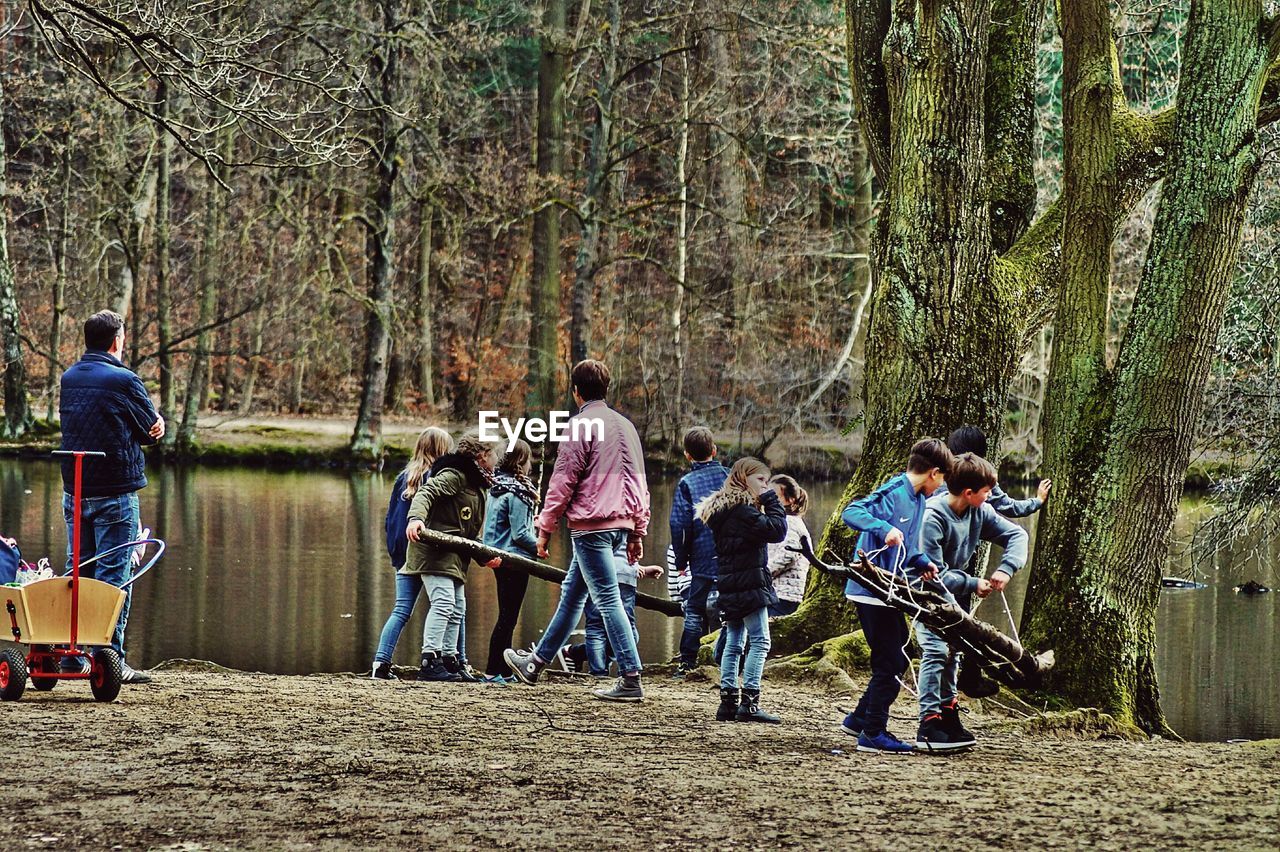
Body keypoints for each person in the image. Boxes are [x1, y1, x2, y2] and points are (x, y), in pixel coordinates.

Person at [503, 359, 652, 702]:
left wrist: (544, 528)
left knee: (607, 598)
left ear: (576, 391)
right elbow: (639, 483)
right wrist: (637, 531)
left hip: (591, 526)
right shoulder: (627, 427)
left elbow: (563, 480)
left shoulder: (581, 424)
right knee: (572, 594)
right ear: (606, 388)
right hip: (621, 523)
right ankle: (534, 664)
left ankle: (630, 677)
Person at [58, 310, 164, 684]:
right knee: (115, 575)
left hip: (75, 489)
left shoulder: (68, 378)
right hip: (116, 491)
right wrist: (159, 423)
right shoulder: (125, 380)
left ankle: (73, 656)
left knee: (79, 572)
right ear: (117, 340)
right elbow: (149, 430)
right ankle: (111, 658)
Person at [839, 437, 954, 754]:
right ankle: (874, 733)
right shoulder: (894, 491)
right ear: (933, 473)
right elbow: (852, 511)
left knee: (898, 653)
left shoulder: (917, 499)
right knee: (890, 660)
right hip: (870, 589)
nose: (942, 487)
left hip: (890, 592)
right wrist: (881, 528)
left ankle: (859, 719)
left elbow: (910, 546)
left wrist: (921, 561)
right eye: (943, 479)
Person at [913, 453, 1028, 752]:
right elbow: (931, 574)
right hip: (923, 595)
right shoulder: (933, 517)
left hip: (954, 597)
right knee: (937, 651)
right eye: (987, 491)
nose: (990, 496)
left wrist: (1006, 568)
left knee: (956, 652)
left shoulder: (980, 512)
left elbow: (1017, 535)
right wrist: (972, 582)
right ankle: (928, 724)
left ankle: (948, 714)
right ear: (968, 493)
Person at [944, 425, 1050, 697]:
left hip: (959, 569)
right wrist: (1035, 502)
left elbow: (1011, 525)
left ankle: (967, 678)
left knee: (960, 622)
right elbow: (1009, 507)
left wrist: (1035, 504)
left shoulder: (975, 487)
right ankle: (961, 683)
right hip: (948, 571)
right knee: (959, 623)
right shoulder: (953, 492)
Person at [404, 432, 500, 682]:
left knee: (458, 608)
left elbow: (469, 532)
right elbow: (426, 493)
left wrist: (484, 557)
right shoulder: (455, 475)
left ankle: (450, 658)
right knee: (444, 603)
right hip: (434, 553)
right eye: (493, 455)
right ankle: (429, 660)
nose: (496, 460)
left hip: (455, 558)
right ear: (482, 456)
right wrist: (416, 520)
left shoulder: (478, 485)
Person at [702, 458, 788, 723]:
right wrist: (772, 500)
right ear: (743, 477)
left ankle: (728, 702)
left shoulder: (724, 510)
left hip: (730, 583)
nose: (765, 486)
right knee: (761, 641)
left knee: (735, 641)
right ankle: (749, 703)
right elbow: (777, 530)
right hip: (748, 583)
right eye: (760, 480)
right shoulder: (743, 511)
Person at [371, 427, 454, 680]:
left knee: (401, 610)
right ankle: (449, 661)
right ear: (442, 451)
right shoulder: (436, 479)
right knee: (448, 605)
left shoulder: (403, 478)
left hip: (401, 553)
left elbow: (391, 520)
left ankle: (380, 664)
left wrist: (395, 553)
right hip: (425, 553)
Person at [670, 426, 729, 678]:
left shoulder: (687, 483)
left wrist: (681, 560)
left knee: (694, 608)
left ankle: (688, 661)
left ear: (687, 455)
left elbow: (679, 524)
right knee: (728, 608)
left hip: (702, 556)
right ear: (714, 451)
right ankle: (725, 657)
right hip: (731, 554)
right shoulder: (730, 477)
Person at [482, 439, 540, 682]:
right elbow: (520, 534)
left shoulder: (496, 487)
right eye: (528, 460)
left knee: (507, 614)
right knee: (508, 616)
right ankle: (494, 670)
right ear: (520, 462)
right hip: (515, 559)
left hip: (498, 556)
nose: (530, 465)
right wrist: (539, 544)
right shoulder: (518, 492)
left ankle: (504, 670)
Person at [565, 558, 663, 677]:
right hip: (598, 572)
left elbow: (626, 549)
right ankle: (598, 674)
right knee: (597, 627)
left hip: (625, 577)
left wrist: (638, 568)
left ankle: (578, 653)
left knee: (630, 634)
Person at [765, 474, 810, 618]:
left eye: (775, 496)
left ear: (791, 500)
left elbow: (788, 555)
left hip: (785, 594)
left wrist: (762, 573)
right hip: (777, 593)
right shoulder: (782, 521)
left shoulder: (790, 522)